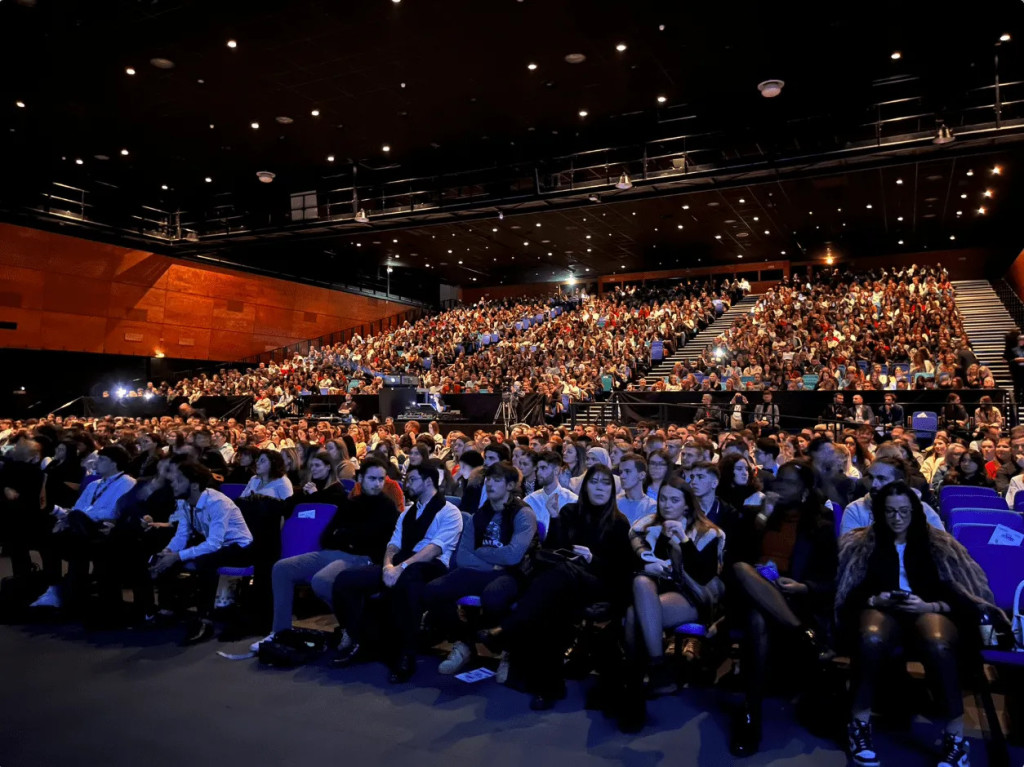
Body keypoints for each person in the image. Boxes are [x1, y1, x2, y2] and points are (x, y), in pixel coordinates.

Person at [837, 482, 1004, 767]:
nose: (897, 518)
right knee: (871, 637)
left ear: (915, 511)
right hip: (882, 609)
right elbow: (849, 593)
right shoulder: (863, 543)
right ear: (880, 512)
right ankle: (859, 725)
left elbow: (966, 595)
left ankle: (955, 736)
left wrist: (929, 606)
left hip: (929, 608)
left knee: (938, 642)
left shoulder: (938, 544)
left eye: (904, 511)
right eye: (890, 511)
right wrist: (877, 599)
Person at [477, 464, 634, 711]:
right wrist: (554, 518)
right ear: (585, 487)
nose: (600, 488)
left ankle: (509, 629)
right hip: (564, 583)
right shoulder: (570, 512)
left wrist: (592, 559)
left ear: (612, 490)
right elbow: (551, 550)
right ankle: (549, 686)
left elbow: (620, 572)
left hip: (597, 583)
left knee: (556, 581)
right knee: (553, 606)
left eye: (606, 483)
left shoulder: (619, 523)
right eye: (594, 482)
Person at [721, 460, 837, 757]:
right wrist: (763, 515)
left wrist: (803, 586)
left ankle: (751, 714)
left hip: (794, 599)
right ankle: (805, 637)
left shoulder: (820, 524)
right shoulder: (756, 515)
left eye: (788, 483)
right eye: (779, 481)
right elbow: (734, 561)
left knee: (758, 620)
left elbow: (829, 579)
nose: (780, 487)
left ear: (805, 491)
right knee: (745, 574)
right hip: (752, 593)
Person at [330, 460, 462, 684]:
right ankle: (364, 639)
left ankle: (406, 654)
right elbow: (393, 544)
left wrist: (401, 568)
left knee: (408, 581)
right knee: (345, 581)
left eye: (413, 479)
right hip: (401, 564)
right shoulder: (408, 512)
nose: (407, 483)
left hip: (432, 567)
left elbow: (434, 549)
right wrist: (387, 567)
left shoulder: (450, 512)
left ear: (428, 482)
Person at [251, 456, 399, 652]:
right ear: (361, 479)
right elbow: (327, 537)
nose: (378, 484)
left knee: (321, 580)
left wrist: (346, 536)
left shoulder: (387, 507)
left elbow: (375, 543)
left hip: (362, 559)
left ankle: (352, 626)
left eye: (381, 479)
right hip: (334, 552)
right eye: (372, 478)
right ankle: (280, 632)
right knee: (281, 568)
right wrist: (349, 538)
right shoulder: (351, 503)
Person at [424, 461, 537, 677]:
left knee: (493, 596)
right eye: (488, 479)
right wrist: (492, 561)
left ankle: (508, 650)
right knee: (432, 591)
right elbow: (463, 557)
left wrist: (481, 552)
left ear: (510, 485)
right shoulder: (480, 515)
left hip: (512, 574)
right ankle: (465, 642)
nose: (490, 484)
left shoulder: (523, 513)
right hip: (483, 570)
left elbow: (513, 556)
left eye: (497, 480)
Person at [626, 475, 725, 696]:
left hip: (693, 595)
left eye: (674, 500)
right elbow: (641, 563)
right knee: (641, 584)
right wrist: (662, 539)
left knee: (634, 615)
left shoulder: (707, 532)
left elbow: (703, 576)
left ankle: (638, 680)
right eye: (662, 499)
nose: (666, 505)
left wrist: (683, 539)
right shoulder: (646, 526)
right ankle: (655, 670)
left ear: (687, 505)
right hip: (654, 591)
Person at [149, 461, 254, 644]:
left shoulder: (217, 502)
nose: (174, 484)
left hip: (239, 547)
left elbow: (214, 543)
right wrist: (168, 552)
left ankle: (205, 621)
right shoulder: (184, 502)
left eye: (179, 481)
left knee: (206, 562)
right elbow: (182, 535)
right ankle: (168, 610)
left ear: (195, 485)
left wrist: (178, 556)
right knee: (165, 556)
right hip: (216, 545)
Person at [31, 444, 137, 610]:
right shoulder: (94, 484)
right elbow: (77, 507)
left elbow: (113, 512)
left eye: (102, 460)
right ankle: (56, 587)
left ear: (114, 463)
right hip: (82, 529)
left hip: (104, 531)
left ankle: (63, 591)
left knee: (72, 530)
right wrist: (65, 516)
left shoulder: (126, 482)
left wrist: (80, 515)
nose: (96, 463)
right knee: (50, 538)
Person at [839, 456, 945, 536]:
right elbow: (850, 552)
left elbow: (942, 549)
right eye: (871, 478)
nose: (874, 484)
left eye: (881, 479)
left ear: (899, 483)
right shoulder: (855, 510)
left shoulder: (924, 510)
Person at [523, 449, 577, 533]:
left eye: (543, 468)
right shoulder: (529, 501)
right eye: (538, 469)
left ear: (556, 470)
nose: (538, 473)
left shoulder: (572, 500)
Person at [615, 453, 658, 525]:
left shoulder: (651, 506)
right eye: (621, 472)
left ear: (642, 475)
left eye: (627, 471)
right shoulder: (615, 503)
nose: (622, 476)